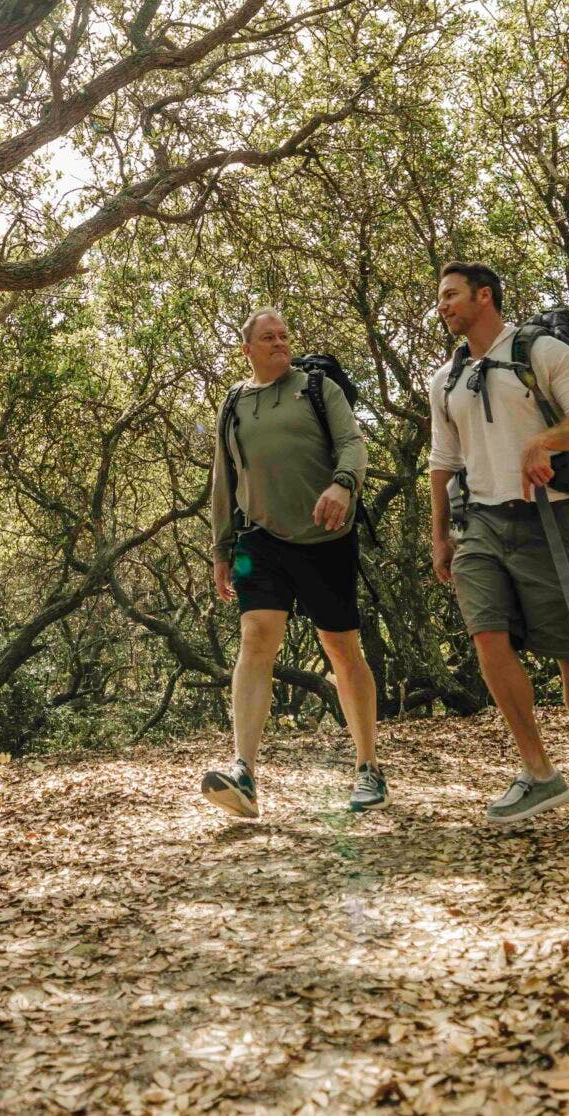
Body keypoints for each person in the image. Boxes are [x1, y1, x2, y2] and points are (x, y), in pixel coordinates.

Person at [428, 263, 569, 830]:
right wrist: (439, 535)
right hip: (480, 525)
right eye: (440, 298)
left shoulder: (540, 353)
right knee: (486, 636)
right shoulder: (446, 379)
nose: (442, 306)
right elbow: (443, 463)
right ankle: (539, 773)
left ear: (483, 296)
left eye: (451, 295)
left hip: (549, 518)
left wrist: (544, 439)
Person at [200, 307, 383, 818]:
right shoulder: (234, 403)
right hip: (256, 542)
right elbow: (223, 481)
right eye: (268, 337)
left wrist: (344, 484)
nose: (280, 342)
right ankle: (245, 773)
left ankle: (368, 767)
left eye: (285, 334)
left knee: (342, 648)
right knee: (255, 638)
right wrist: (221, 549)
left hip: (327, 537)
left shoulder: (318, 388)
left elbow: (352, 442)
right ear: (247, 349)